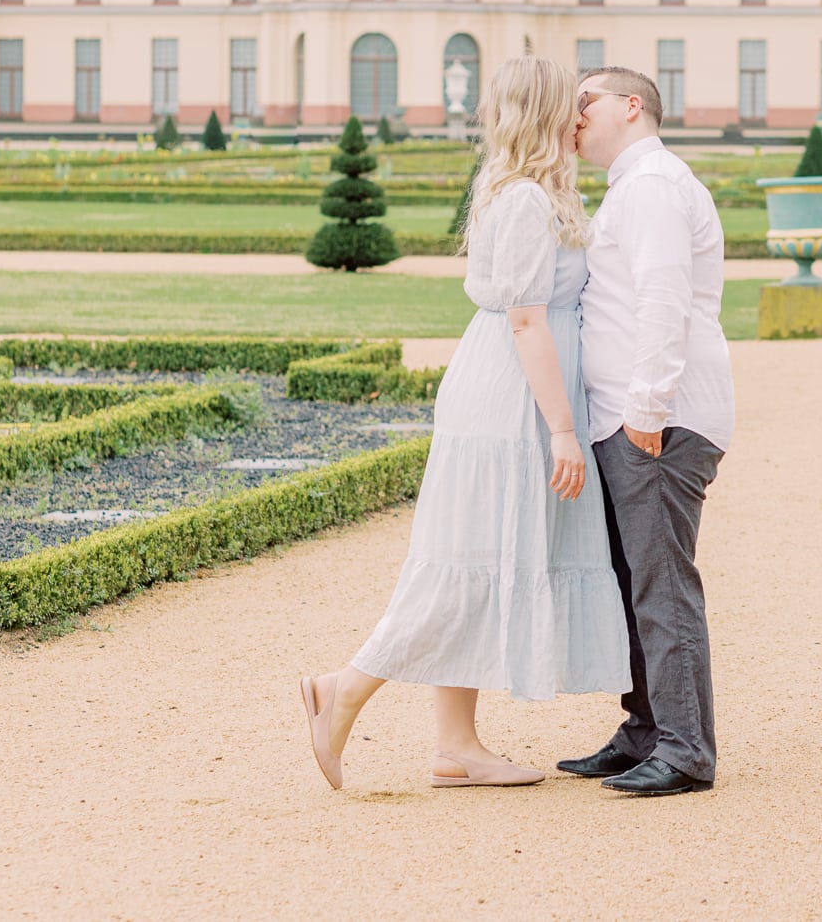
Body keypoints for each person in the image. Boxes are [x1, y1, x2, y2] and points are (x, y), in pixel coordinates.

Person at [300, 56, 629, 790]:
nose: (584, 116)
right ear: (545, 113)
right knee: (466, 567)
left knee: (480, 561)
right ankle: (341, 689)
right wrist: (565, 429)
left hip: (516, 392)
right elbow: (524, 319)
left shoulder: (530, 189)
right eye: (572, 105)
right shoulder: (521, 201)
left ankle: (456, 745)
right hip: (512, 402)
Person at [557, 66, 735, 798]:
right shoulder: (634, 187)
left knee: (660, 584)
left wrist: (646, 414)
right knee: (635, 582)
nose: (572, 114)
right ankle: (646, 730)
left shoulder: (655, 185)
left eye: (585, 100)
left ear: (633, 106)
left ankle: (686, 746)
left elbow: (665, 301)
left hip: (655, 422)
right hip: (631, 419)